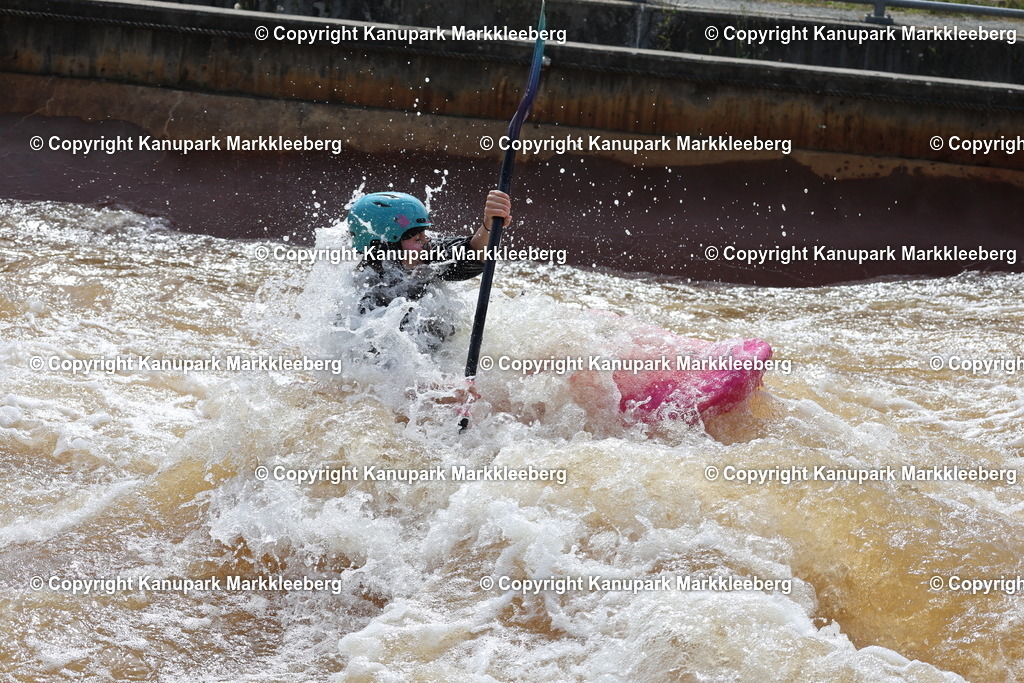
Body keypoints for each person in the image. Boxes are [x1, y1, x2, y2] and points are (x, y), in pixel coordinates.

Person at [346, 189, 512, 351]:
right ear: (385, 249)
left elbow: (473, 254)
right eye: (417, 239)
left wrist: (488, 225)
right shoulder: (362, 300)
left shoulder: (427, 257)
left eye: (424, 235)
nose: (428, 244)